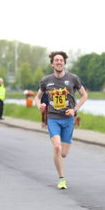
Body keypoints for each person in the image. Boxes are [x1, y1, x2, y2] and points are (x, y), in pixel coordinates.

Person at [34, 51, 88, 189]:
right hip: (53, 118)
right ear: (52, 63)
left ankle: (61, 165)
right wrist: (39, 106)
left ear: (64, 63)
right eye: (56, 60)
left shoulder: (73, 78)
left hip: (68, 119)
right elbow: (37, 97)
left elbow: (84, 95)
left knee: (63, 154)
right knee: (56, 147)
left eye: (61, 60)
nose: (59, 62)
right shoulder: (46, 81)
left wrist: (74, 110)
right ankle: (61, 178)